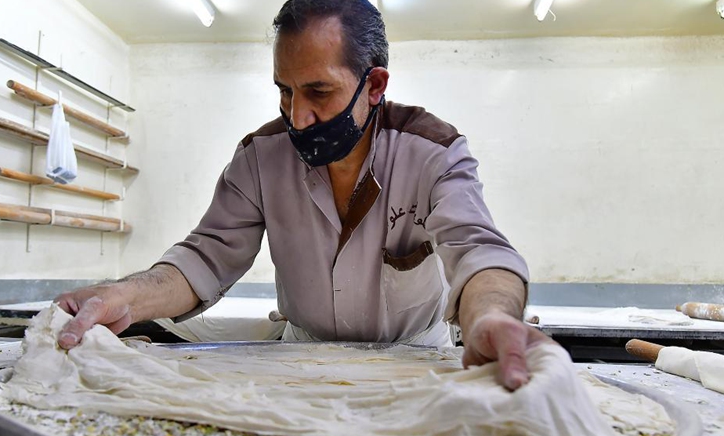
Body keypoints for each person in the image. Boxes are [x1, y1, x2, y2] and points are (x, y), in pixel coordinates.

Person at [56, 0, 551, 391]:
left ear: (374, 85)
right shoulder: (259, 158)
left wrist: (490, 316)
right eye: (284, 91)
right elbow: (205, 258)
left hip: (416, 362)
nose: (297, 117)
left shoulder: (432, 152)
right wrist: (125, 295)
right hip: (299, 362)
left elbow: (479, 249)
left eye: (318, 92)